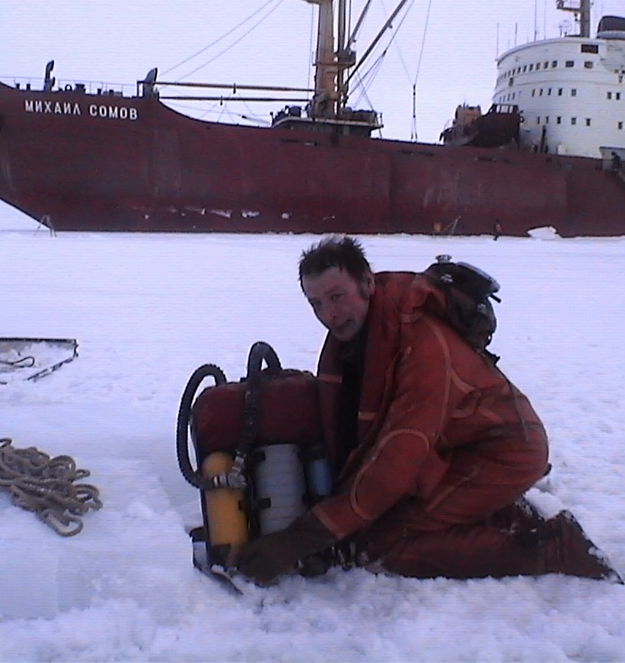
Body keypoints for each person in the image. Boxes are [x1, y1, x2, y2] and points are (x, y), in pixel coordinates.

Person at [237, 235, 620, 585]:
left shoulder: (421, 346)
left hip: (503, 450)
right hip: (450, 446)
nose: (328, 314)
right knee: (377, 517)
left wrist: (300, 539)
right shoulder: (358, 335)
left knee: (384, 544)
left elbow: (398, 455)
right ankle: (502, 514)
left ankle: (555, 551)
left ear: (368, 284)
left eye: (337, 297)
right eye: (316, 303)